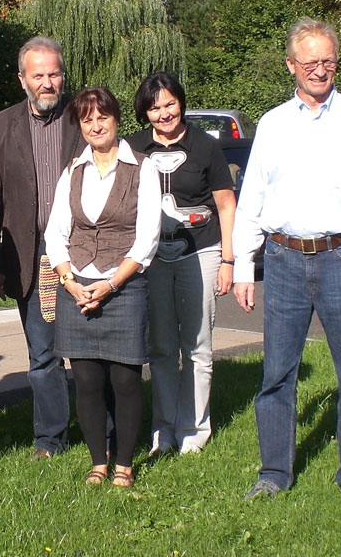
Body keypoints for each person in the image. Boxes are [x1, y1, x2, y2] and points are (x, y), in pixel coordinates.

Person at [233, 17, 341, 504]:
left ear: (336, 61)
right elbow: (253, 198)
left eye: (327, 61)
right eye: (310, 63)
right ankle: (274, 474)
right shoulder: (272, 124)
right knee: (277, 375)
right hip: (283, 259)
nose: (319, 71)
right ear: (291, 66)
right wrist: (244, 264)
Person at [44, 87, 160, 487]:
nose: (95, 125)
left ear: (116, 120)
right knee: (88, 380)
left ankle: (125, 464)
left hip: (123, 285)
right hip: (75, 285)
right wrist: (69, 280)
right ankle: (98, 461)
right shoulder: (72, 172)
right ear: (81, 125)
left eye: (102, 117)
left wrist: (110, 285)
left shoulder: (142, 168)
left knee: (125, 380)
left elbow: (148, 238)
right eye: (87, 119)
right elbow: (55, 234)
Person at [0, 36, 86, 459]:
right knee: (42, 353)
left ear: (64, 74)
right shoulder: (3, 125)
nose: (47, 83)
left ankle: (106, 431)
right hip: (29, 253)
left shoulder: (85, 116)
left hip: (82, 251)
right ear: (22, 79)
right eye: (37, 75)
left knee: (89, 351)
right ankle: (51, 440)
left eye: (53, 74)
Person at [126, 73, 237, 456]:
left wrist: (228, 260)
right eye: (155, 107)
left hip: (201, 252)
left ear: (181, 103)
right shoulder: (134, 148)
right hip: (152, 256)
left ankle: (194, 431)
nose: (163, 113)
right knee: (160, 347)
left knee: (197, 346)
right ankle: (164, 431)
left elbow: (225, 205)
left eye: (170, 103)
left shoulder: (205, 146)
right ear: (145, 112)